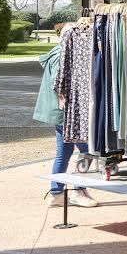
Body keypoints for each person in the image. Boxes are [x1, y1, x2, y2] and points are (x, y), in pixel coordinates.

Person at [33, 41, 98, 207]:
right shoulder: (62, 55)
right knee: (87, 150)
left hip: (62, 113)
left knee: (65, 152)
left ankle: (57, 193)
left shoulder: (57, 52)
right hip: (67, 113)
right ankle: (77, 190)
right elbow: (60, 85)